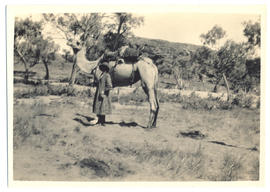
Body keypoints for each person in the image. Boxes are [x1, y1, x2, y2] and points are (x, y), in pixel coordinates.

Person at [92, 62, 113, 126]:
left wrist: (104, 91)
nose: (102, 68)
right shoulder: (102, 74)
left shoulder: (107, 75)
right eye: (102, 67)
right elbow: (100, 83)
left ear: (106, 68)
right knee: (100, 107)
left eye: (104, 67)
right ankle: (100, 121)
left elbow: (109, 86)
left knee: (103, 107)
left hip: (104, 94)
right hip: (99, 92)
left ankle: (103, 122)